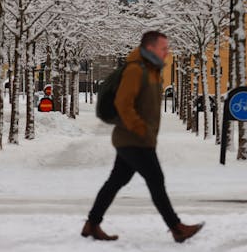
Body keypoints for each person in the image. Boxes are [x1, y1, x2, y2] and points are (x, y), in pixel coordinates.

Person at [81, 31, 203, 243]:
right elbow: (123, 103)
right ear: (150, 48)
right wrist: (141, 129)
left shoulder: (152, 70)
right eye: (163, 48)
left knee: (116, 181)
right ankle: (177, 228)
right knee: (156, 180)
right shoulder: (136, 70)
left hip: (135, 139)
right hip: (134, 140)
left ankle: (92, 223)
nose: (167, 52)